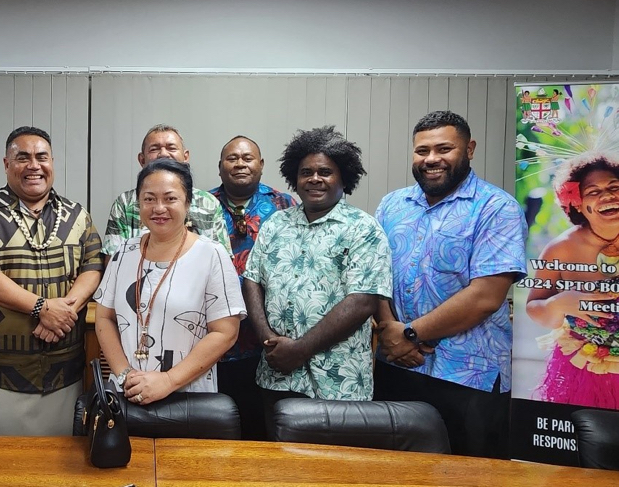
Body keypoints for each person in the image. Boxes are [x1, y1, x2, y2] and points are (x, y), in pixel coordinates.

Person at [374, 110, 526, 458]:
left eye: (444, 149)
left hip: (467, 374)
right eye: (422, 151)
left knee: (469, 474)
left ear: (469, 149)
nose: (431, 159)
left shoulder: (497, 208)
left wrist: (409, 334)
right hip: (398, 366)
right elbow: (375, 276)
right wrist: (389, 330)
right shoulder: (392, 205)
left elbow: (485, 298)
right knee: (394, 472)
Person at [0, 126, 103, 436]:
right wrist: (41, 307)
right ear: (7, 165)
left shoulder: (78, 215)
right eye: (22, 158)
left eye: (41, 157)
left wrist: (63, 312)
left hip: (65, 366)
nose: (33, 165)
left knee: (63, 468)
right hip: (0, 371)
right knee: (1, 467)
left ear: (52, 163)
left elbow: (93, 266)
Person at [241, 126, 391, 427]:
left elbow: (363, 301)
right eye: (305, 172)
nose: (314, 179)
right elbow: (252, 279)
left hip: (339, 381)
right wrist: (267, 338)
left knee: (333, 469)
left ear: (343, 178)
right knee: (279, 465)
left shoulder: (364, 228)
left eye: (325, 171)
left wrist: (299, 349)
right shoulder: (276, 224)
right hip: (277, 376)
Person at [94, 158, 244, 406]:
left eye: (170, 198)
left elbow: (226, 332)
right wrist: (124, 375)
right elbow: (104, 318)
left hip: (189, 397)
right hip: (127, 395)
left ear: (187, 203)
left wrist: (168, 380)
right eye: (149, 199)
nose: (158, 207)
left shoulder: (211, 255)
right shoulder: (124, 252)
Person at [209, 135, 294, 440]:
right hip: (215, 337)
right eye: (232, 158)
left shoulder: (284, 204)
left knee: (262, 426)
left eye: (247, 158)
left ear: (260, 165)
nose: (240, 163)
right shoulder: (202, 205)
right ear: (220, 167)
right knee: (219, 422)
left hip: (268, 336)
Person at [525, 154, 619, 409]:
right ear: (576, 202)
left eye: (614, 187)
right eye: (593, 191)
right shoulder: (560, 249)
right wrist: (559, 304)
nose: (607, 196)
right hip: (583, 372)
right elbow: (534, 307)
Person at [101, 124, 230, 258]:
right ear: (142, 159)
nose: (163, 153)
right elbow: (113, 260)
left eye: (171, 148)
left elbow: (221, 260)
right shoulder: (125, 203)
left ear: (186, 157)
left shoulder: (208, 202)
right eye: (154, 149)